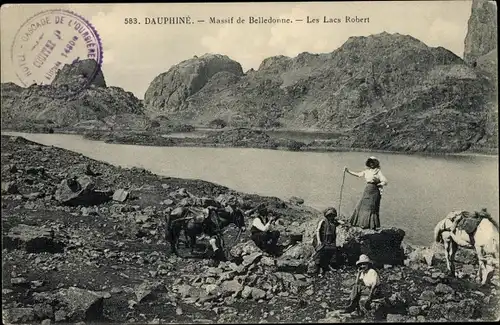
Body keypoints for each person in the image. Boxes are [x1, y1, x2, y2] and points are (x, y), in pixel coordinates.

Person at [345, 156, 388, 230]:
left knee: (371, 208)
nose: (372, 164)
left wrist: (379, 183)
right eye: (370, 163)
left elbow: (385, 181)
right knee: (362, 205)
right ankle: (361, 223)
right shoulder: (366, 171)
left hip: (374, 191)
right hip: (367, 190)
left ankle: (371, 225)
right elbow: (358, 174)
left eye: (373, 163)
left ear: (375, 163)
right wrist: (348, 171)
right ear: (368, 163)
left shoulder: (378, 171)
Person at [312, 207, 345, 275]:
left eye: (332, 215)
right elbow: (318, 230)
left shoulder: (334, 222)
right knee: (321, 252)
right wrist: (319, 240)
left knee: (333, 251)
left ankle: (330, 266)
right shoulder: (323, 221)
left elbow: (343, 223)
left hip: (331, 241)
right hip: (323, 240)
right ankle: (319, 268)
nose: (331, 217)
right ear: (327, 216)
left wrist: (338, 220)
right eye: (329, 215)